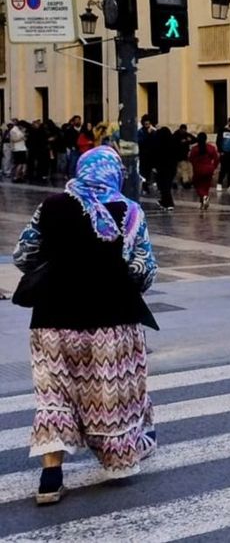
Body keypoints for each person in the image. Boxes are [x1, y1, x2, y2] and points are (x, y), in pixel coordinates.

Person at [11, 146, 159, 505]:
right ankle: (116, 459)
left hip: (52, 318)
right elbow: (143, 270)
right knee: (109, 396)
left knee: (54, 398)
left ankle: (50, 478)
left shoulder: (51, 205)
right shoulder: (129, 211)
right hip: (111, 318)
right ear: (114, 173)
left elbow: (23, 255)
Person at [189, 133, 219, 211]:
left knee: (198, 186)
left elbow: (191, 159)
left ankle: (204, 197)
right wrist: (213, 167)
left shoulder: (195, 149)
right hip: (209, 169)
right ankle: (203, 202)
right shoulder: (211, 148)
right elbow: (216, 159)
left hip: (198, 169)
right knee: (206, 187)